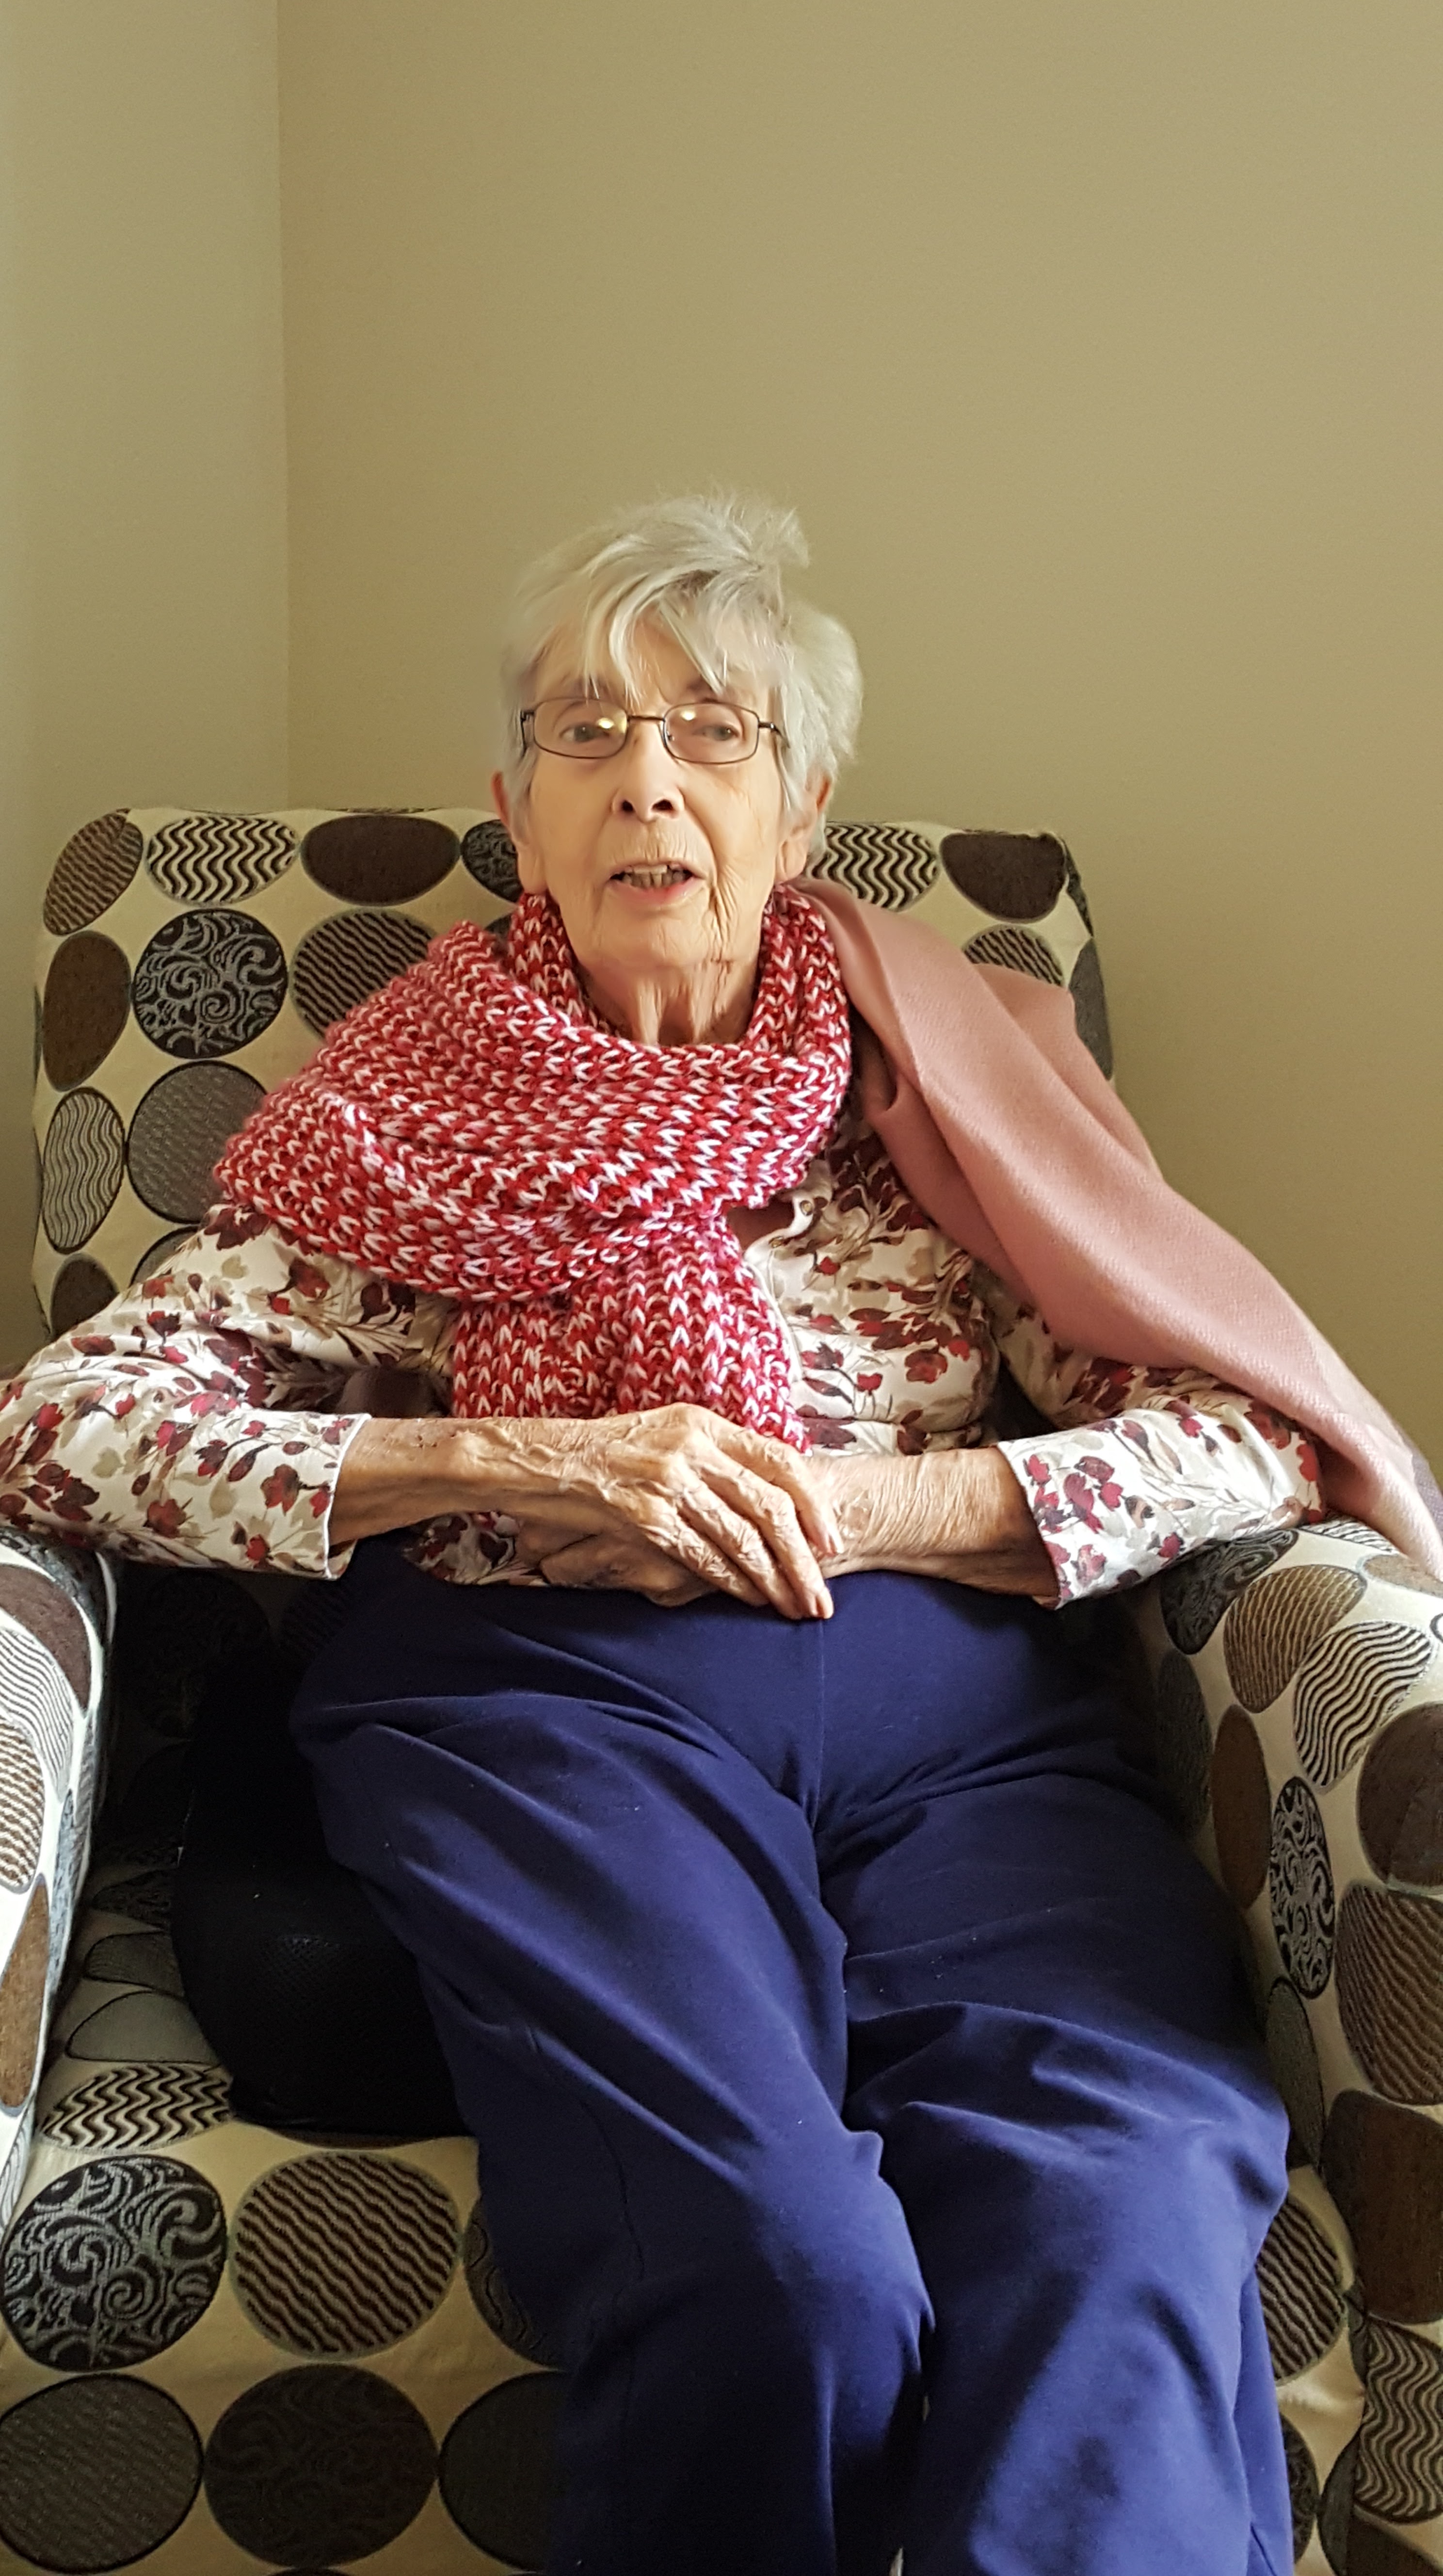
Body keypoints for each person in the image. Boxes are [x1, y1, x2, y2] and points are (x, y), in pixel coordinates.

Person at [4, 495, 1438, 2576]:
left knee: (1116, 2208)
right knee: (778, 2266)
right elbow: (64, 1427)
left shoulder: (938, 1098)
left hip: (963, 1728)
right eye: (585, 731)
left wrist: (886, 1503)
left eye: (713, 730)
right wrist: (511, 1461)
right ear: (516, 807)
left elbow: (1244, 1429)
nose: (648, 778)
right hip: (542, 1704)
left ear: (803, 802)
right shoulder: (399, 1120)